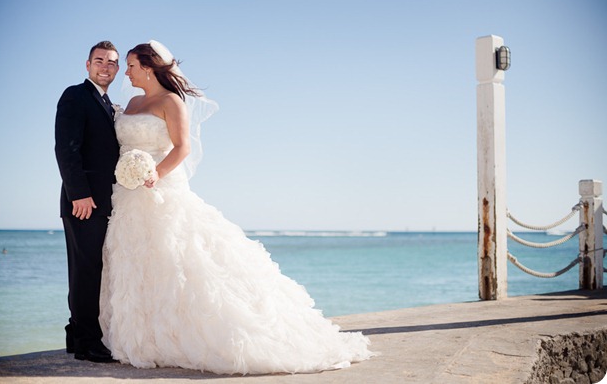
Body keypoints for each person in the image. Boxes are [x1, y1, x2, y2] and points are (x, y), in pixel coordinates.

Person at [99, 41, 374, 374]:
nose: (126, 72)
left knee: (175, 258)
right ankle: (143, 336)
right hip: (127, 197)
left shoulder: (171, 101)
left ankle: (193, 334)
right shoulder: (132, 102)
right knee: (135, 261)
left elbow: (183, 148)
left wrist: (154, 173)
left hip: (160, 189)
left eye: (130, 65)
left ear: (149, 66)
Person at [54, 41, 120, 363]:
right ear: (87, 64)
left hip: (105, 202)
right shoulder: (75, 96)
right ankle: (88, 344)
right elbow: (66, 148)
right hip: (84, 201)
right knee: (86, 270)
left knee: (89, 269)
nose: (105, 67)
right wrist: (79, 193)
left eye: (111, 63)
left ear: (117, 69)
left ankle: (74, 332)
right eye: (99, 61)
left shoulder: (108, 104)